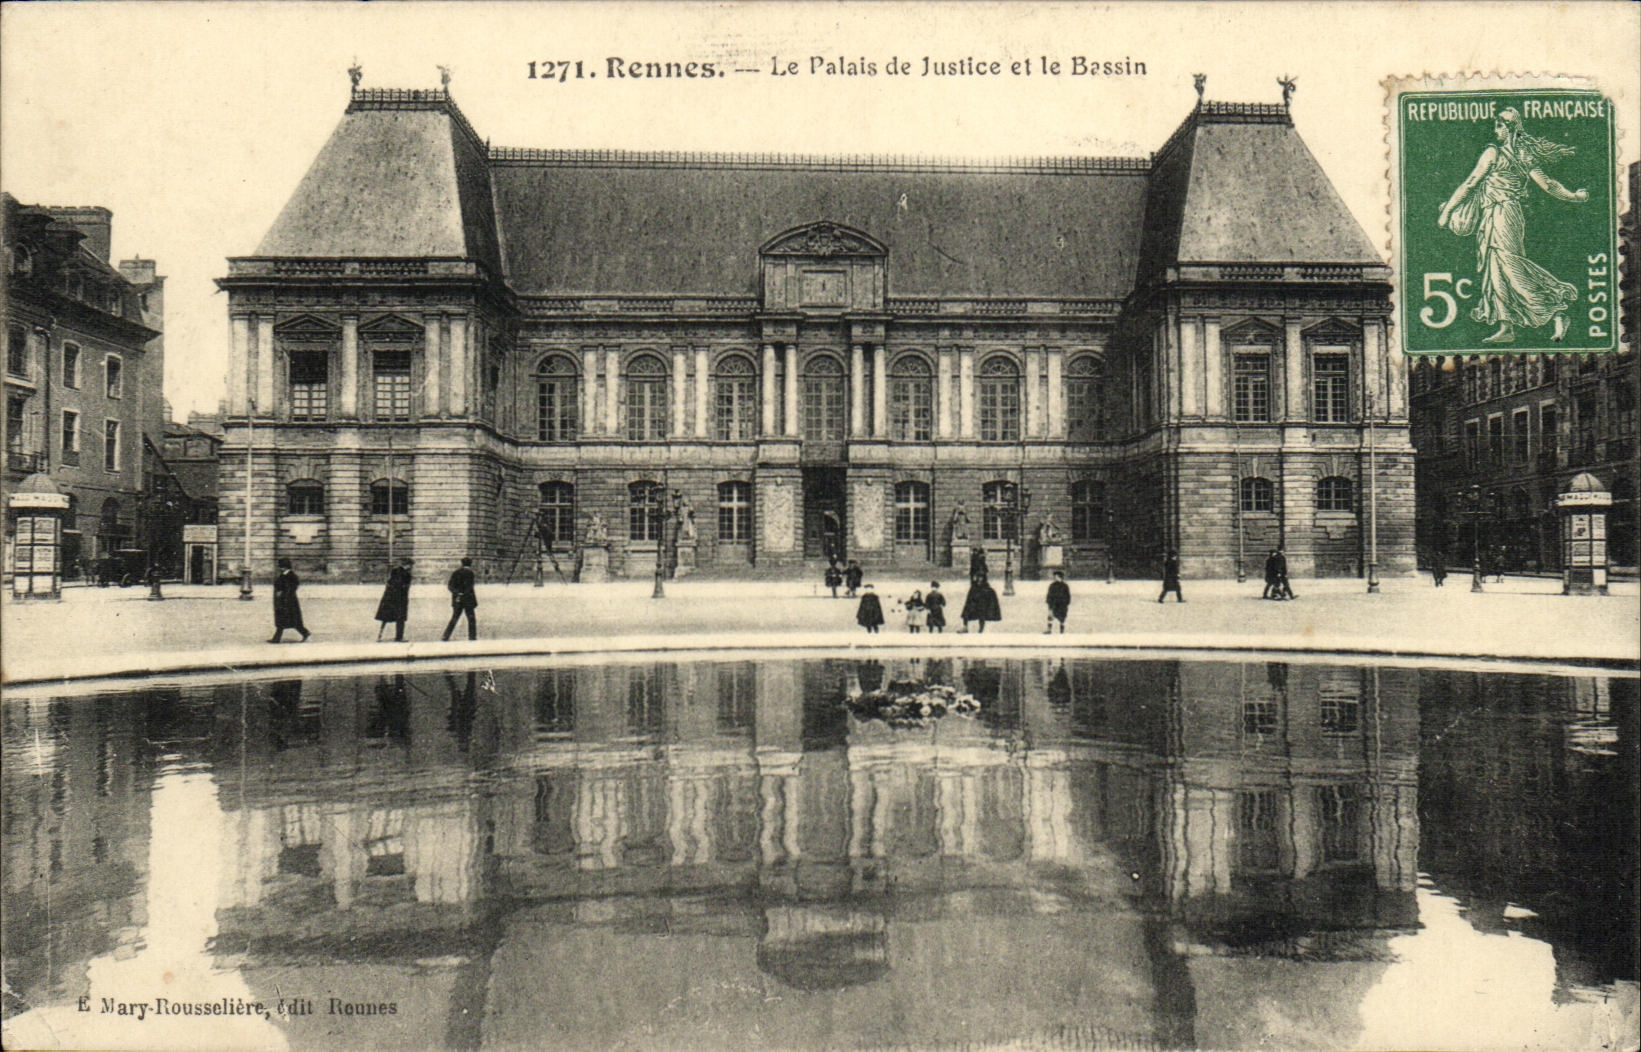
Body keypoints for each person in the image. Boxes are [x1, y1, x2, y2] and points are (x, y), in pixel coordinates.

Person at [1438, 107, 1588, 345]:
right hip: (1500, 214)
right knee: (1495, 269)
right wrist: (1574, 196)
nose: (1495, 131)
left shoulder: (1493, 153)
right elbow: (1549, 185)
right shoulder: (1524, 155)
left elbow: (1470, 183)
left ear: (1509, 128)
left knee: (1509, 266)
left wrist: (1447, 211)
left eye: (1499, 126)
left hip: (1502, 214)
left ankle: (1556, 312)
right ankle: (1506, 326)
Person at [268, 557, 310, 643]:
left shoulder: (291, 576)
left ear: (285, 567)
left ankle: (305, 633)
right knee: (284, 620)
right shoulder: (283, 574)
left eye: (281, 566)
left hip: (289, 602)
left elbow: (292, 588)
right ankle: (276, 638)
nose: (280, 568)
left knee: (292, 621)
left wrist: (282, 593)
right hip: (282, 601)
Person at [375, 558, 413, 641]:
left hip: (389, 598)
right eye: (410, 566)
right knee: (400, 619)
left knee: (385, 618)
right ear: (408, 565)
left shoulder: (394, 571)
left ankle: (379, 635)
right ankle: (399, 637)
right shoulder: (407, 575)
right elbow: (403, 587)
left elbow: (390, 584)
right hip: (400, 599)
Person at [442, 557, 478, 641]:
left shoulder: (456, 572)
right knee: (471, 619)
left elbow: (450, 586)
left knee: (454, 618)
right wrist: (464, 594)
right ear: (470, 564)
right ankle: (472, 637)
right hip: (468, 600)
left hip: (457, 599)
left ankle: (446, 636)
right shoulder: (470, 573)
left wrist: (457, 593)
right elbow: (469, 587)